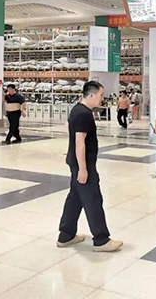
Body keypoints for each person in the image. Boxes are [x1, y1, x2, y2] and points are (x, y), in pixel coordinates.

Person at [57, 81, 122, 252]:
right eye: (101, 95)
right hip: (82, 164)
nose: (102, 98)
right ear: (91, 95)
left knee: (75, 198)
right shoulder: (83, 114)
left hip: (78, 162)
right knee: (93, 199)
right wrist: (83, 168)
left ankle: (66, 235)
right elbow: (80, 142)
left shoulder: (78, 110)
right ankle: (101, 240)